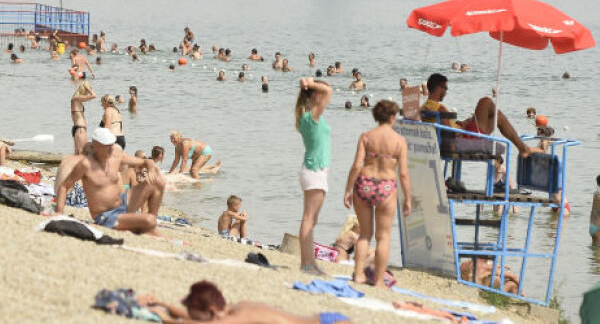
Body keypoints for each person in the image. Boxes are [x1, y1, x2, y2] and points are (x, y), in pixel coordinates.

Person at [342, 100, 411, 288]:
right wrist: (408, 199)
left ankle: (358, 275)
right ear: (391, 117)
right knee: (383, 237)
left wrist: (348, 190)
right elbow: (403, 173)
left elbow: (357, 165)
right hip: (386, 187)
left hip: (364, 184)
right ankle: (379, 280)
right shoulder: (399, 141)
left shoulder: (366, 137)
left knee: (365, 234)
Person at [54, 127, 162, 234]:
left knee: (158, 182)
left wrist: (151, 170)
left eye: (112, 144)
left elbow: (146, 162)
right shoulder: (85, 165)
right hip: (106, 215)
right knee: (149, 220)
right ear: (96, 145)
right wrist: (59, 213)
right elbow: (64, 186)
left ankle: (150, 226)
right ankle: (148, 226)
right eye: (107, 146)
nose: (111, 148)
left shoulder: (115, 155)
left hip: (124, 202)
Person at [136, 280, 344, 324]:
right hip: (329, 319)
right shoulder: (236, 308)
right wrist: (163, 304)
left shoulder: (242, 316)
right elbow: (203, 320)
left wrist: (163, 317)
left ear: (211, 310)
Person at [296, 76, 333, 276]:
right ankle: (306, 264)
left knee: (311, 220)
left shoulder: (309, 116)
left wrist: (312, 86)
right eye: (322, 92)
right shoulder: (311, 116)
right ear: (316, 95)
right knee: (308, 219)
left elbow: (327, 92)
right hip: (314, 170)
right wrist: (311, 84)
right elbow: (329, 91)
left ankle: (310, 263)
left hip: (315, 170)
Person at [70, 81, 96, 154]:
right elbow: (94, 95)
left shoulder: (75, 100)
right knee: (82, 152)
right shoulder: (77, 98)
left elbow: (90, 97)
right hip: (80, 128)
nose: (87, 94)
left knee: (77, 152)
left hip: (77, 128)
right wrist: (88, 87)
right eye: (86, 92)